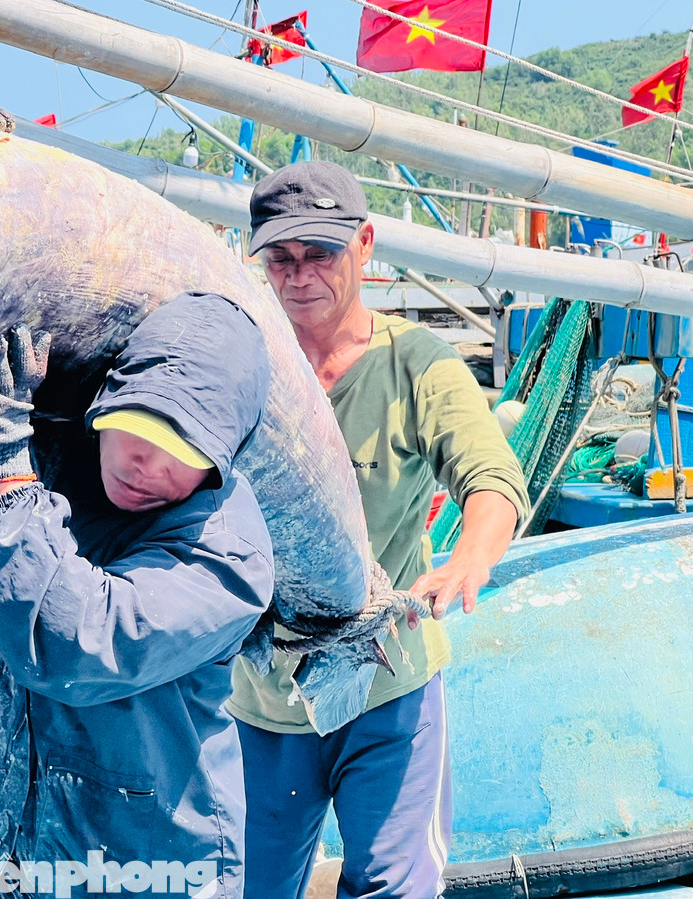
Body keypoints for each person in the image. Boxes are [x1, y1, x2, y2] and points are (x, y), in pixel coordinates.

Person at [228, 162, 530, 899]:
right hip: (260, 700)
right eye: (281, 259)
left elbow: (492, 478)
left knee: (393, 888)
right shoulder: (238, 362)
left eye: (321, 254)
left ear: (365, 245)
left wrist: (469, 556)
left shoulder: (418, 363)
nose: (300, 277)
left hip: (388, 689)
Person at [0, 292, 275, 897]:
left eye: (185, 451)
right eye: (137, 428)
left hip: (145, 865)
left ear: (221, 463)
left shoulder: (228, 558)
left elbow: (69, 641)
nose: (146, 463)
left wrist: (11, 474)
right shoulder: (47, 445)